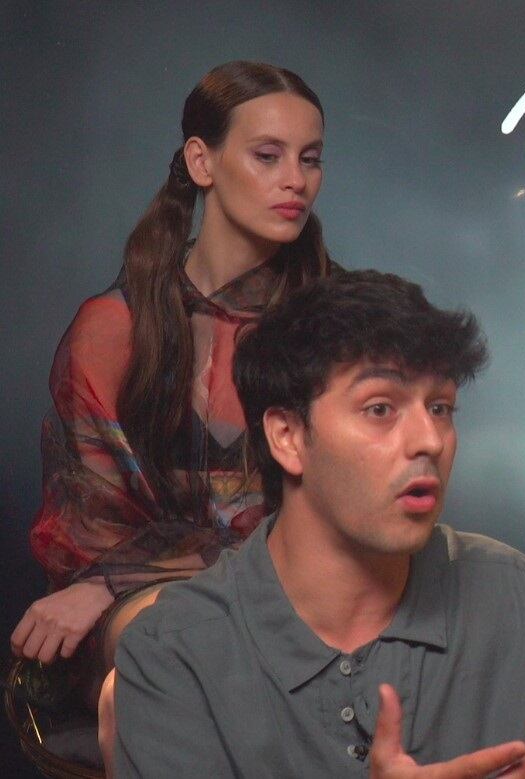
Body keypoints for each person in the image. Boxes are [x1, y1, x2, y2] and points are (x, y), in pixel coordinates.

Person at [112, 269, 525, 777]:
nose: (429, 441)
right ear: (287, 437)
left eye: (441, 408)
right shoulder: (173, 653)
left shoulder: (521, 601)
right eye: (381, 408)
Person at [10, 61, 334, 709]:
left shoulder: (340, 325)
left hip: (306, 591)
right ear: (201, 161)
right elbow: (96, 526)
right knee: (170, 644)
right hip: (146, 601)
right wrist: (110, 583)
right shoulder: (116, 329)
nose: (296, 180)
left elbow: (339, 519)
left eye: (310, 159)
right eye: (268, 156)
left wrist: (108, 583)